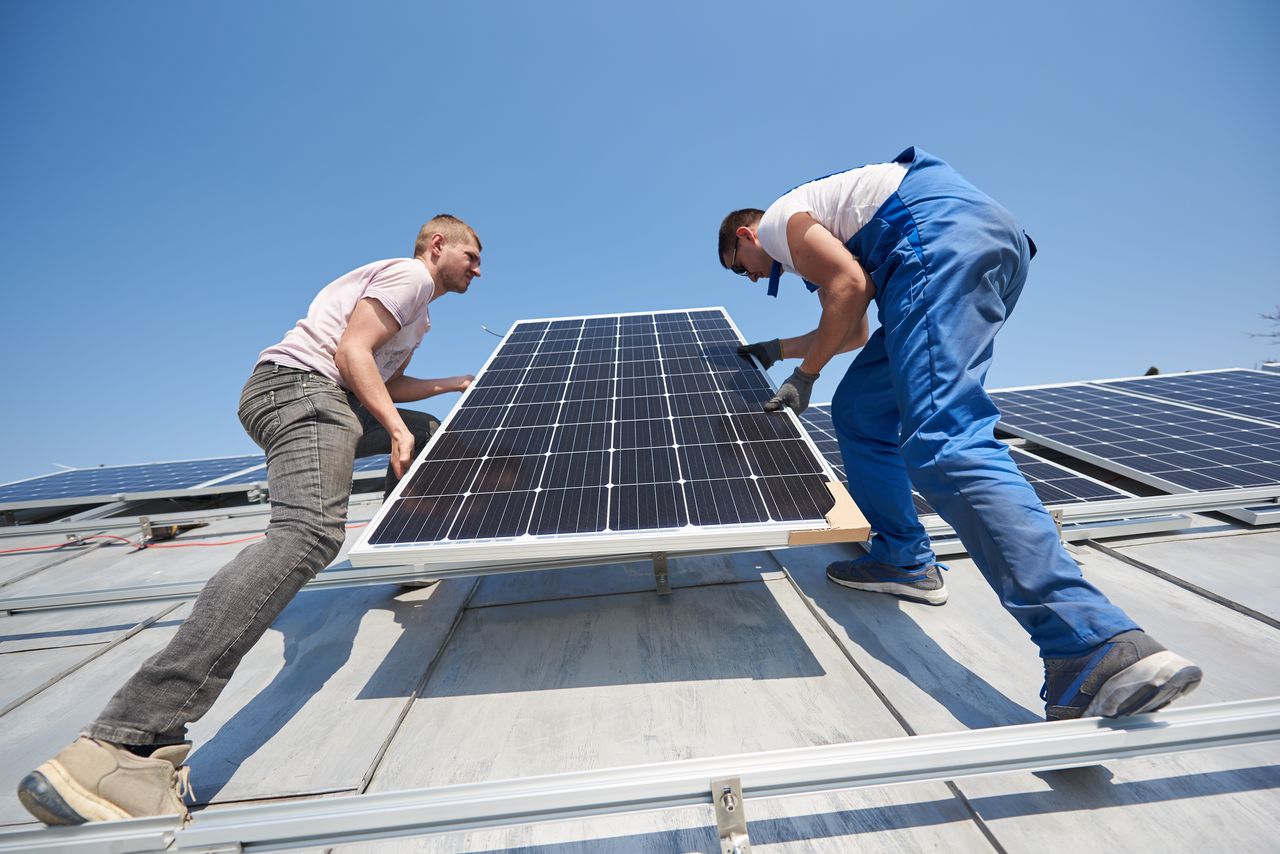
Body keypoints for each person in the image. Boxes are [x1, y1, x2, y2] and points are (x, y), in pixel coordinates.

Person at [17, 214, 483, 825]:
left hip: (318, 393)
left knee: (426, 433)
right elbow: (350, 353)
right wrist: (391, 427)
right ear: (437, 244)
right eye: (472, 255)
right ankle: (124, 746)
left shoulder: (417, 313)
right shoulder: (408, 276)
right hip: (303, 391)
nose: (478, 268)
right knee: (309, 533)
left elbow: (382, 378)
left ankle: (410, 551)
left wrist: (452, 384)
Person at [720, 148, 1202, 721]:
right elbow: (851, 331)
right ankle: (905, 560)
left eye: (737, 264)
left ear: (747, 235)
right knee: (860, 412)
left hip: (934, 242)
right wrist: (779, 350)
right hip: (979, 243)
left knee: (942, 439)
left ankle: (1093, 642)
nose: (748, 278)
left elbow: (848, 287)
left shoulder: (779, 223)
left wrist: (803, 375)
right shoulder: (820, 222)